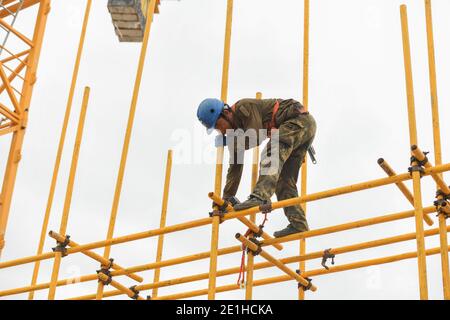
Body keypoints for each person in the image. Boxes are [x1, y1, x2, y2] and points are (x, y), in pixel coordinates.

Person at [197, 98, 316, 238]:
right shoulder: (235, 135)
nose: (220, 131)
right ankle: (298, 224)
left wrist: (233, 141)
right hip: (297, 129)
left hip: (299, 122)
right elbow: (235, 166)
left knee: (270, 154)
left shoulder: (243, 108)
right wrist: (226, 199)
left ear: (226, 113)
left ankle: (260, 196)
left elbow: (255, 136)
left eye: (218, 126)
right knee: (283, 181)